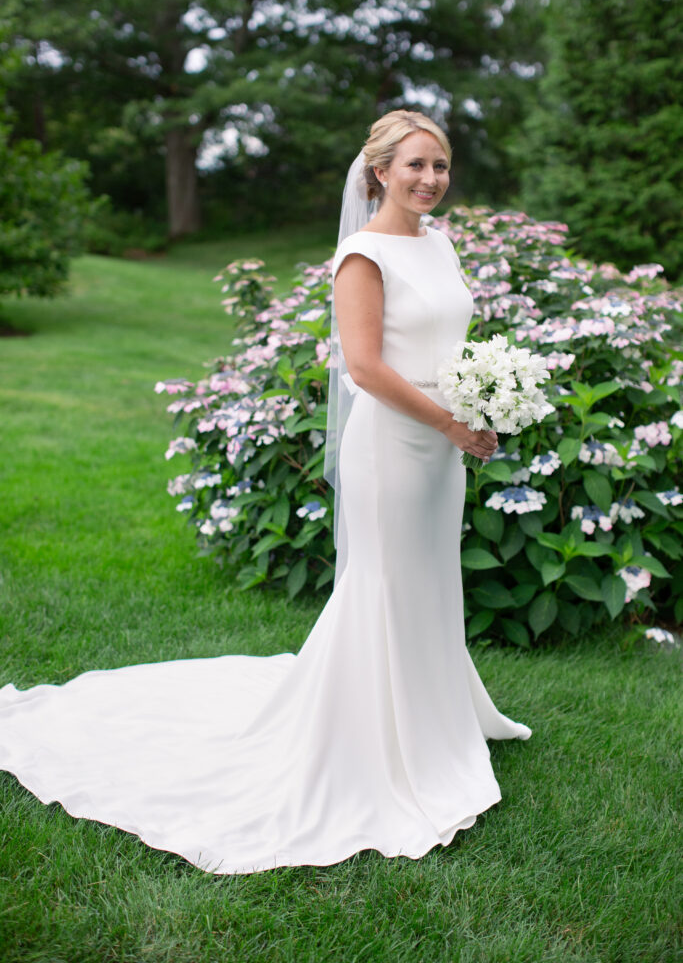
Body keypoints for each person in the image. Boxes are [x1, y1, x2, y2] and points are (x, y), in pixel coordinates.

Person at [0, 109, 530, 875]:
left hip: (444, 442)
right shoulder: (362, 256)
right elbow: (366, 370)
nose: (430, 180)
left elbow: (442, 340)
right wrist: (452, 423)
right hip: (395, 442)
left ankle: (434, 716)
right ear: (378, 170)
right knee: (381, 583)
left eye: (440, 166)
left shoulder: (439, 243)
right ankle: (373, 740)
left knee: (428, 577)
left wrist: (481, 399)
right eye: (414, 165)